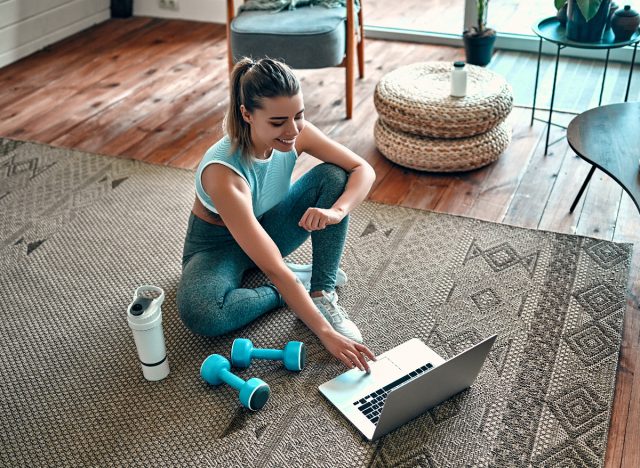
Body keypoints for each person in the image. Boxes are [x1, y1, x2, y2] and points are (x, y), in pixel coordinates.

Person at [177, 57, 376, 372]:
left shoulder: (296, 133)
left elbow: (361, 169)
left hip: (267, 225)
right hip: (216, 246)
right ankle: (292, 289)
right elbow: (273, 267)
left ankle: (321, 289)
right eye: (278, 121)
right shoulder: (223, 173)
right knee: (203, 313)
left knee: (334, 177)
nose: (292, 130)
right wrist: (325, 334)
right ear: (247, 114)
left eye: (299, 116)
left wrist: (337, 212)